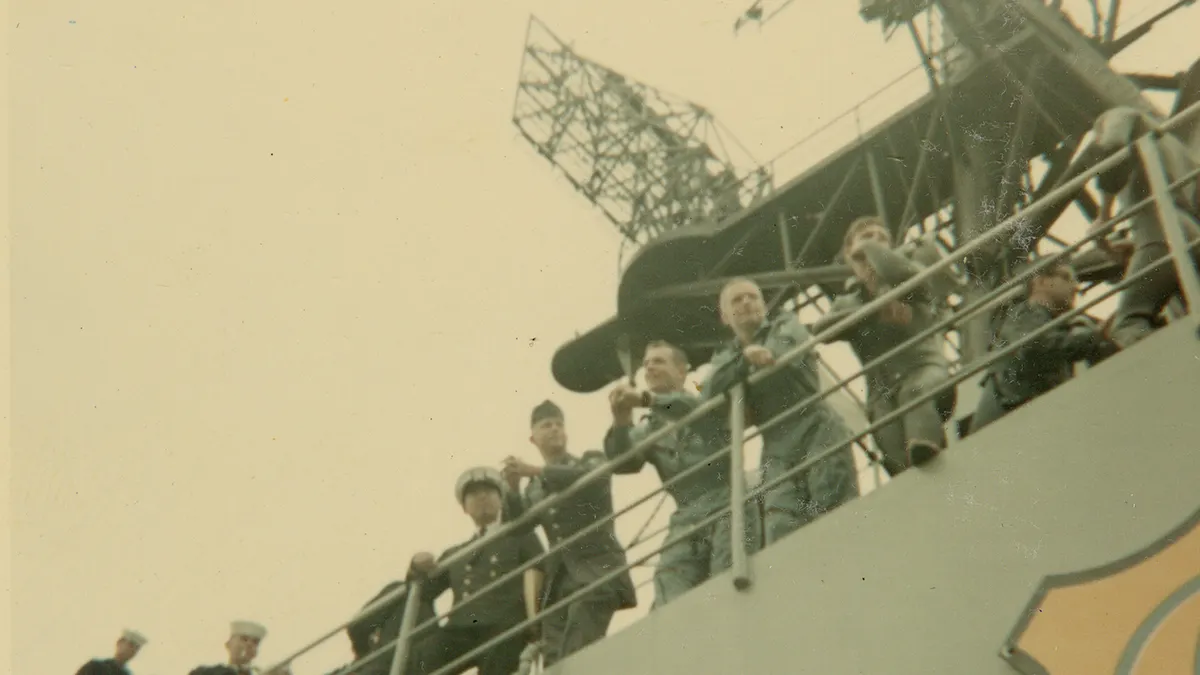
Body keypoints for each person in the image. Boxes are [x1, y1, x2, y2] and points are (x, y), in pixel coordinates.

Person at [604, 340, 762, 609]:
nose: (649, 368)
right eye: (646, 364)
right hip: (685, 517)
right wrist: (620, 421)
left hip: (727, 503)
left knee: (728, 586)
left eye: (658, 361)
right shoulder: (649, 428)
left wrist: (645, 400)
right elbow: (624, 463)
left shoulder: (704, 401)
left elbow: (687, 408)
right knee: (668, 588)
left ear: (681, 371)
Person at [702, 278, 859, 547]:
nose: (747, 302)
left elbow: (783, 350)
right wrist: (745, 360)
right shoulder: (725, 356)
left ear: (763, 305)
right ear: (725, 317)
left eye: (753, 297)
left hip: (816, 429)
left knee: (833, 511)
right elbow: (707, 389)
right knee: (780, 526)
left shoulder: (787, 323)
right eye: (737, 300)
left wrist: (748, 365)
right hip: (776, 447)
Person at [812, 216, 958, 476]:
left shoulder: (909, 272)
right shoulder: (848, 302)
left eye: (882, 238)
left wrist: (867, 247)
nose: (875, 242)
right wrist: (874, 311)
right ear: (849, 255)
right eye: (867, 237)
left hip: (924, 374)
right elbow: (821, 331)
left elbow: (908, 277)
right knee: (897, 460)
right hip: (882, 397)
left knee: (915, 398)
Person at [501, 400, 637, 668]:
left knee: (577, 653)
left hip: (597, 572)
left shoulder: (589, 459)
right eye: (546, 425)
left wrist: (536, 470)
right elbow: (517, 528)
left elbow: (595, 478)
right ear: (533, 438)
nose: (554, 429)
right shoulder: (534, 487)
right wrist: (513, 488)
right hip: (559, 584)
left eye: (559, 424)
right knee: (554, 661)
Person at [406, 467, 545, 675]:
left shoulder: (519, 535)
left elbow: (542, 570)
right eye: (473, 494)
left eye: (488, 491)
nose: (482, 497)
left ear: (501, 499)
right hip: (461, 628)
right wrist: (415, 566)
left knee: (501, 654)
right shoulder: (456, 554)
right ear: (464, 507)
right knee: (424, 655)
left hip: (503, 626)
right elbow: (424, 591)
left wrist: (535, 625)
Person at [1083, 104, 1200, 348]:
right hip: (1190, 231)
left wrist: (1104, 216)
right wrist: (1137, 245)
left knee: (1126, 323)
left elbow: (1113, 148)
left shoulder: (1117, 115)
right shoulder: (1173, 145)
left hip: (1159, 233)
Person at [970, 259, 1118, 433]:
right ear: (1039, 281)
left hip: (1020, 421)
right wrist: (1094, 337)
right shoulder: (1026, 314)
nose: (1075, 287)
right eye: (1066, 277)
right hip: (1007, 422)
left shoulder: (1051, 325)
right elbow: (1035, 347)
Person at [189, 621, 292, 675]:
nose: (249, 645)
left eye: (255, 642)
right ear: (228, 644)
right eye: (244, 639)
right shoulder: (205, 672)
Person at [75, 630, 148, 675]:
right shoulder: (95, 667)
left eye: (137, 649)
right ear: (119, 643)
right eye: (131, 645)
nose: (133, 650)